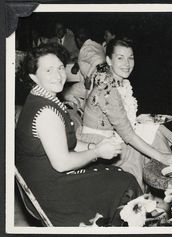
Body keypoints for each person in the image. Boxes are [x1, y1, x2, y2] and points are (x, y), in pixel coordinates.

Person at [15, 43, 142, 226]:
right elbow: (62, 163)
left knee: (118, 176)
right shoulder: (46, 112)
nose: (58, 75)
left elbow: (66, 143)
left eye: (60, 68)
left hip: (49, 181)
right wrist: (97, 152)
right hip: (53, 192)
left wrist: (93, 147)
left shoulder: (41, 97)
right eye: (48, 70)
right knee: (124, 184)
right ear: (33, 76)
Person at [79, 38, 172, 191]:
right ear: (108, 60)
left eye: (130, 58)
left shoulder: (120, 82)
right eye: (120, 58)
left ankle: (171, 182)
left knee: (155, 131)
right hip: (100, 144)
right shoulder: (107, 87)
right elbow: (127, 135)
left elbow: (122, 120)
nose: (127, 64)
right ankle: (164, 184)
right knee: (140, 150)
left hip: (115, 136)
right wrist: (162, 157)